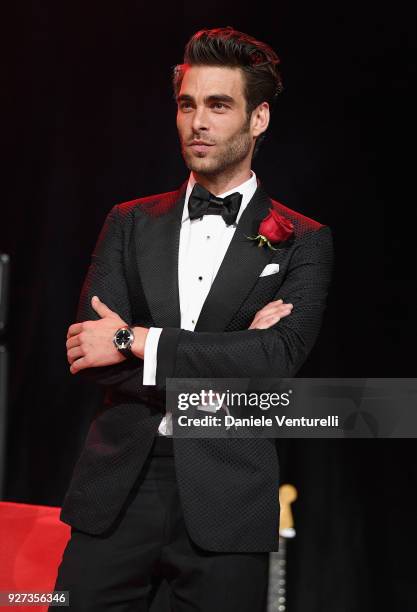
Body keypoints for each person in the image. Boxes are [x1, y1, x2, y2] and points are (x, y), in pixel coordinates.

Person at [53, 26, 334, 612]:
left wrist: (135, 340)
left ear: (258, 119)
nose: (197, 122)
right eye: (187, 105)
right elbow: (88, 353)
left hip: (228, 493)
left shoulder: (303, 240)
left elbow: (274, 363)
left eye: (218, 105)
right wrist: (230, 358)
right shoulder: (129, 222)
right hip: (120, 489)